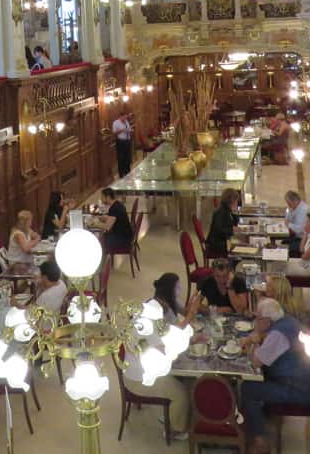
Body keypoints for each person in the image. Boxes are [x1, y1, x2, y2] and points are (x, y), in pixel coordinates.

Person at [124, 273, 204, 441]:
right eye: (178, 287)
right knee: (180, 393)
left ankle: (185, 414)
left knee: (186, 377)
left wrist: (191, 308)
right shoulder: (154, 317)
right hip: (142, 375)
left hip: (149, 361)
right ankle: (174, 429)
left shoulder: (161, 303)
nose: (180, 289)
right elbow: (173, 336)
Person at [239, 298, 310, 454]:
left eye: (258, 318)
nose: (256, 320)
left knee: (248, 388)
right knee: (257, 380)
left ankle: (260, 442)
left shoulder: (278, 334)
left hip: (299, 390)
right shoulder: (289, 321)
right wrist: (258, 338)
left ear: (267, 320)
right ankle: (257, 419)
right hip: (307, 382)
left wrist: (254, 338)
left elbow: (257, 362)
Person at [206, 188, 241, 257]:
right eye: (236, 201)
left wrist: (235, 212)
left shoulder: (227, 210)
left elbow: (235, 222)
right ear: (231, 201)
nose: (237, 203)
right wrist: (232, 230)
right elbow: (219, 230)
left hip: (222, 241)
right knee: (237, 251)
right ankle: (232, 266)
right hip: (216, 244)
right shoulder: (221, 212)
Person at [100, 188, 133, 254]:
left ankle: (103, 261)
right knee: (103, 236)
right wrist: (106, 218)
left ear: (108, 197)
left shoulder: (114, 208)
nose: (101, 199)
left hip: (123, 239)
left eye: (102, 197)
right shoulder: (118, 204)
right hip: (126, 236)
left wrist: (93, 224)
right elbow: (115, 218)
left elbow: (107, 227)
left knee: (100, 241)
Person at [112, 111, 133, 177]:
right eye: (124, 117)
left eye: (126, 117)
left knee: (127, 157)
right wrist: (122, 130)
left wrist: (130, 130)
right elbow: (114, 133)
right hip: (121, 142)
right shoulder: (116, 123)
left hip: (127, 141)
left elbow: (128, 129)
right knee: (121, 158)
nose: (125, 118)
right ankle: (121, 173)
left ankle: (127, 172)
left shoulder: (126, 122)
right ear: (121, 116)